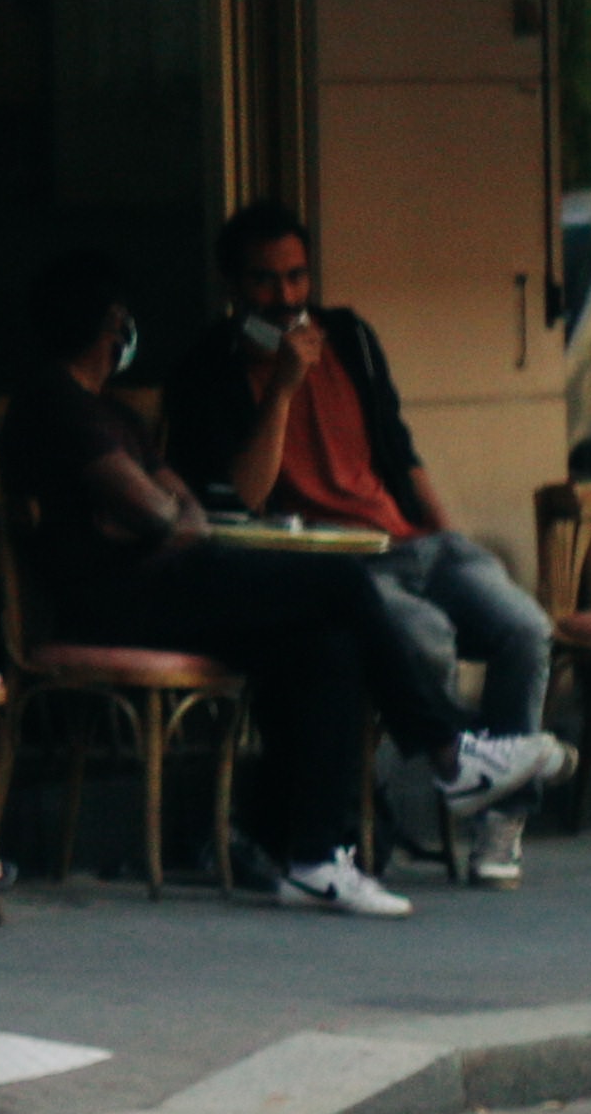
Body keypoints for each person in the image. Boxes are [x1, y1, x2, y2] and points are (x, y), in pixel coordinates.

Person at [7, 251, 569, 917]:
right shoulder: (55, 401)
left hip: (165, 584)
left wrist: (162, 519)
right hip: (114, 605)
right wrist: (163, 519)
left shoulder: (117, 415)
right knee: (335, 583)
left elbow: (181, 510)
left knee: (326, 643)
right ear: (113, 324)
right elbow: (161, 512)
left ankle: (315, 859)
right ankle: (449, 752)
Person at [156, 200, 564, 885]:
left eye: (296, 278)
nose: (285, 298)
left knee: (524, 627)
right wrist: (281, 388)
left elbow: (399, 452)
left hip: (410, 539)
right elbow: (249, 494)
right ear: (234, 288)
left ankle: (500, 819)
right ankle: (438, 770)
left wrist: (447, 536)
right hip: (329, 564)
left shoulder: (349, 336)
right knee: (427, 638)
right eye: (264, 282)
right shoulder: (209, 369)